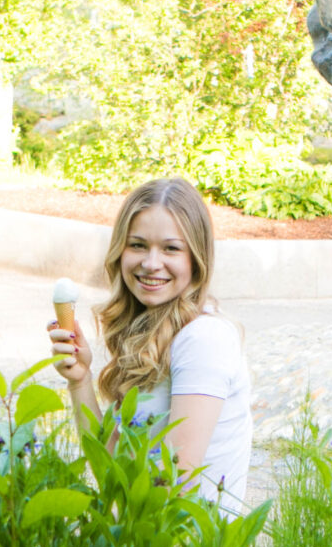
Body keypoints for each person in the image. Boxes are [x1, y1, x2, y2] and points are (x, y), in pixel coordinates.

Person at [46, 178, 254, 516]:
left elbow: (173, 489)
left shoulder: (203, 339)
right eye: (138, 245)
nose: (151, 263)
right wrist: (80, 380)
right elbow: (113, 478)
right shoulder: (150, 332)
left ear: (196, 258)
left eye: (171, 248)